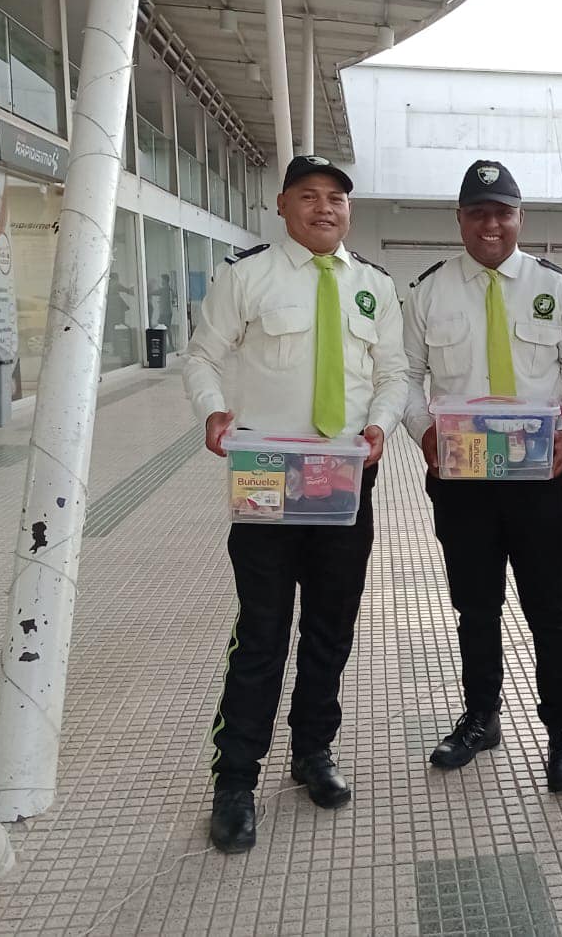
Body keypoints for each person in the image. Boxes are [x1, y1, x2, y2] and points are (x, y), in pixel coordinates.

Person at [184, 154, 408, 853]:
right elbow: (201, 355)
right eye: (309, 196)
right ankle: (235, 779)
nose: (325, 208)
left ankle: (312, 750)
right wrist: (213, 410)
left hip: (345, 479)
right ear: (282, 205)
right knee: (263, 630)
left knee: (330, 627)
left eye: (337, 197)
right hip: (268, 477)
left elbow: (394, 371)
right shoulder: (246, 275)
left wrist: (382, 424)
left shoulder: (374, 285)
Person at [402, 159, 562, 792]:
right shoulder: (429, 291)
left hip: (539, 481)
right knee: (476, 609)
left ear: (520, 218)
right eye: (479, 212)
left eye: (503, 212)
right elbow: (405, 375)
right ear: (460, 219)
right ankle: (481, 717)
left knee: (551, 613)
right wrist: (423, 432)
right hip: (463, 483)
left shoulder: (555, 287)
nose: (492, 224)